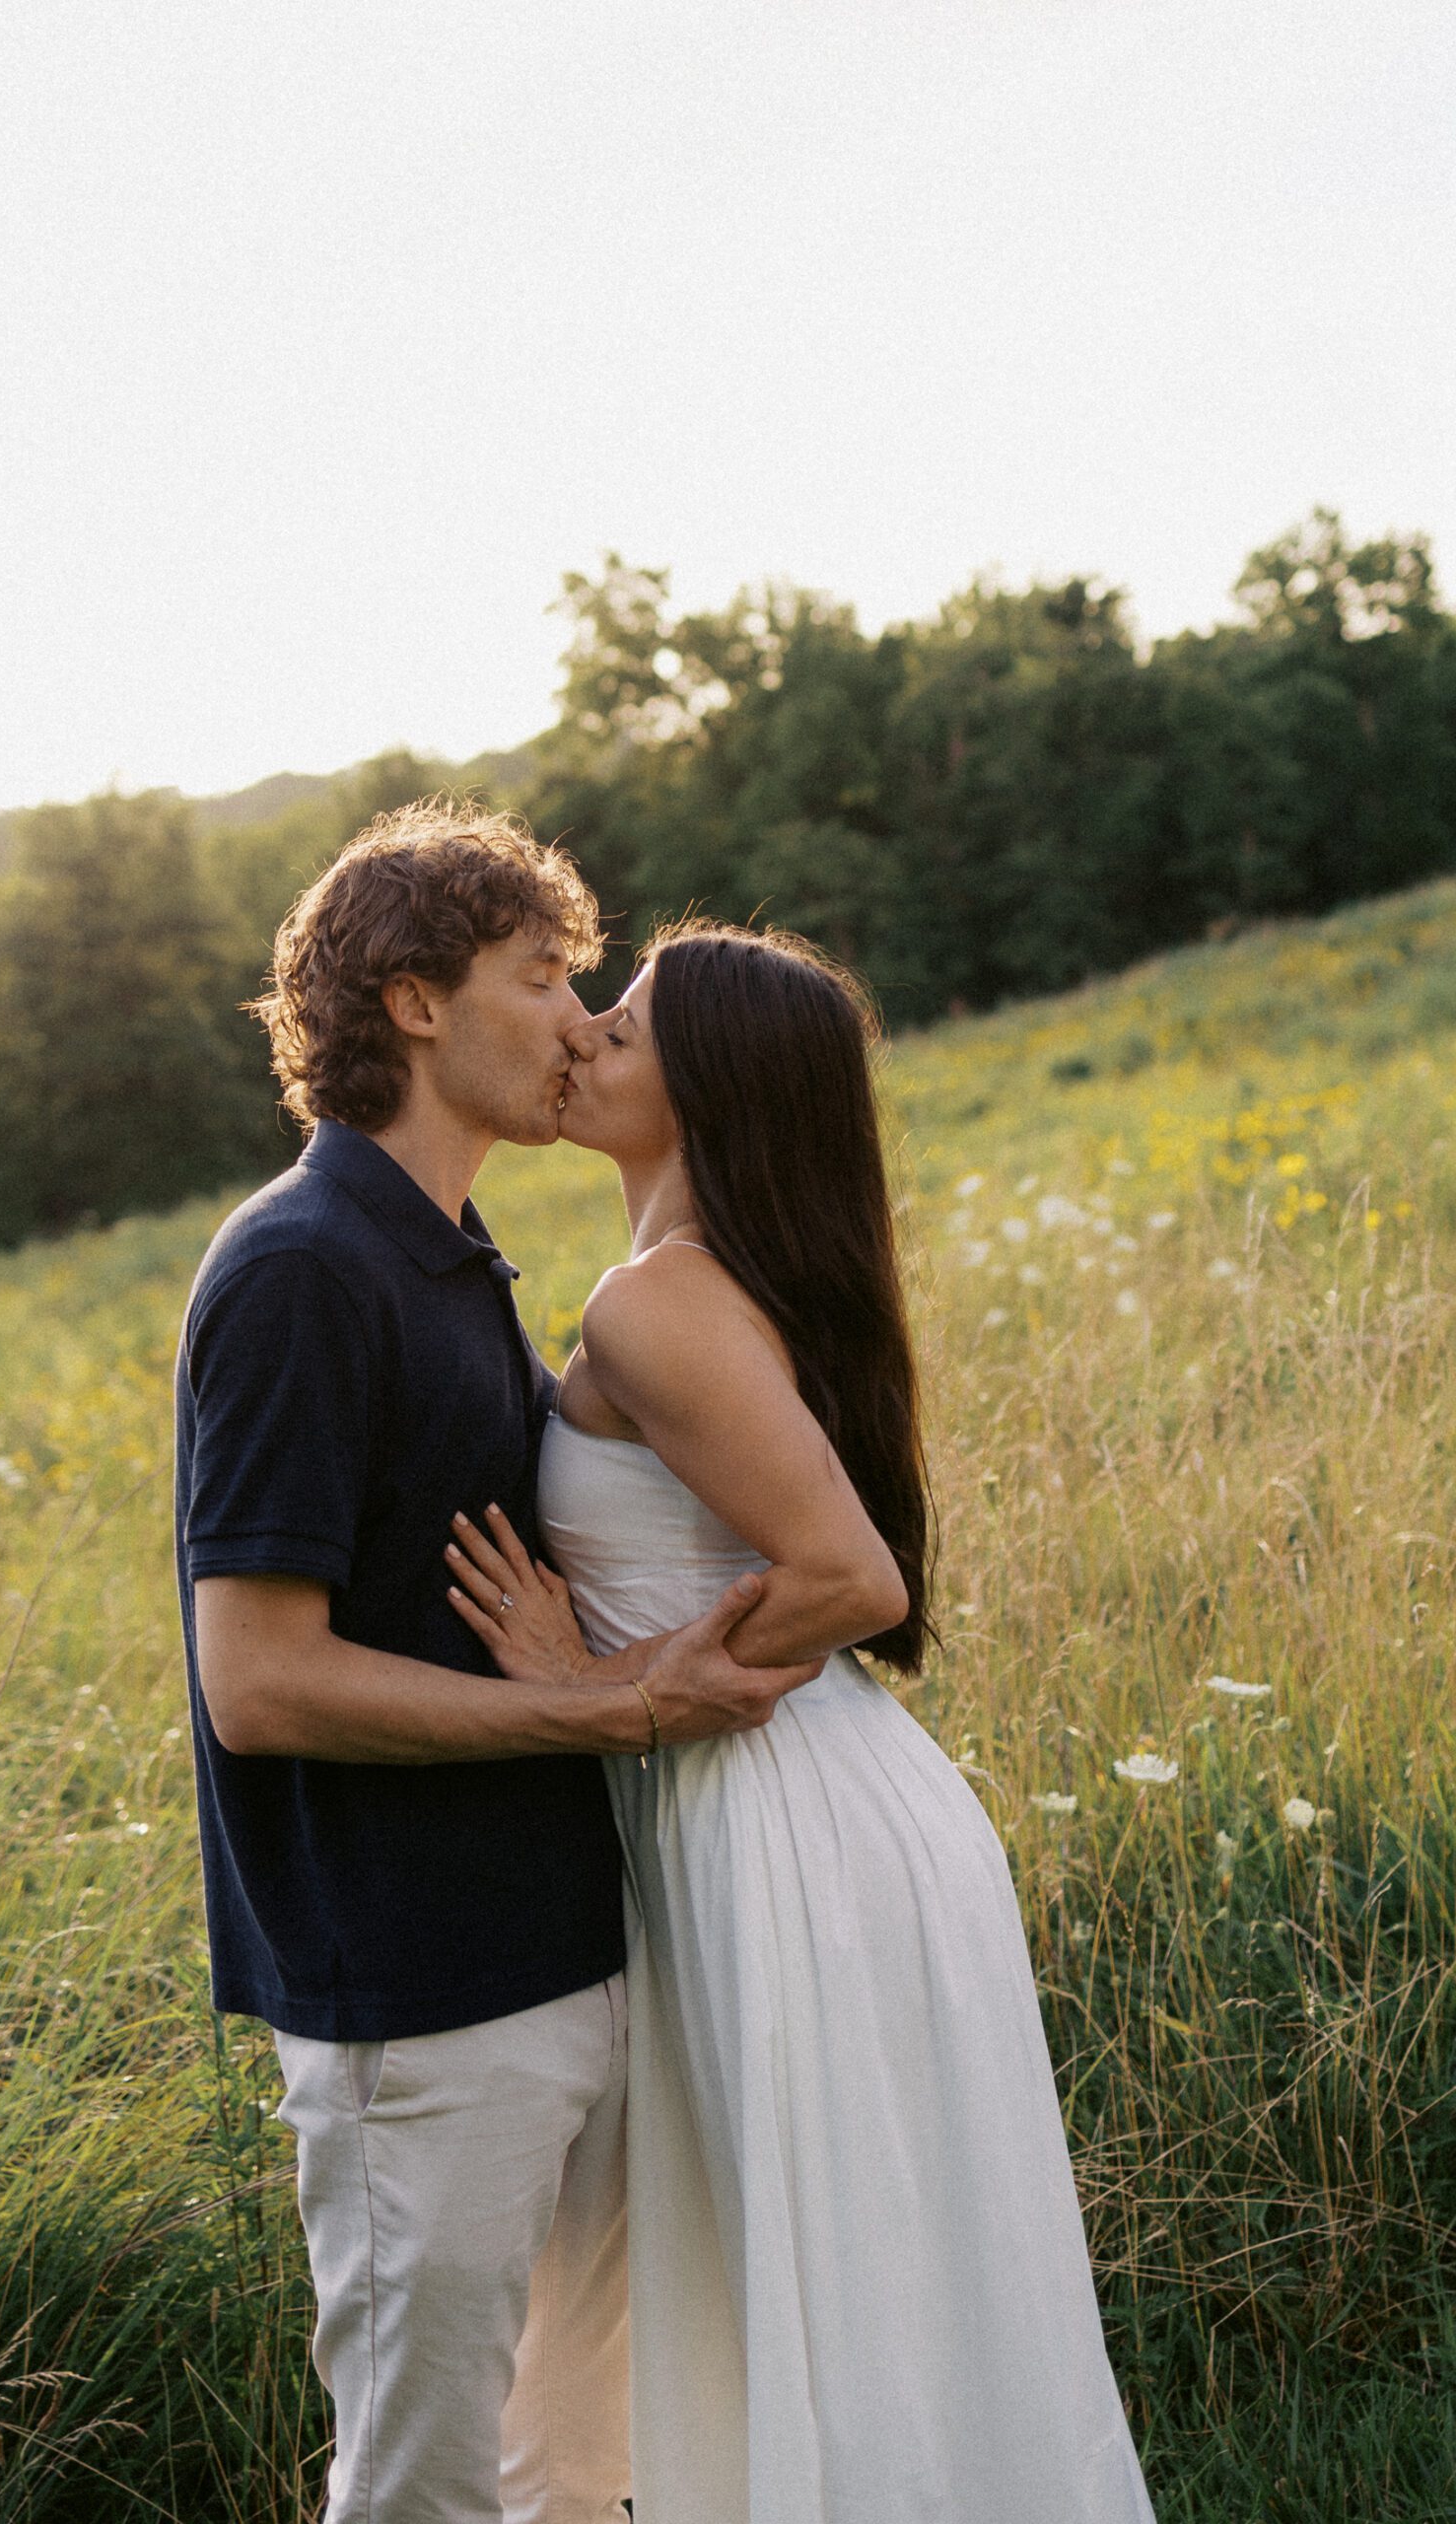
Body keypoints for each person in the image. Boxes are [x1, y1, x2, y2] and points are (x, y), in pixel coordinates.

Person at [447, 920, 1159, 2523]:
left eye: (618, 1029)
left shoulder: (658, 1304)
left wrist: (601, 1696)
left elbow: (848, 1574)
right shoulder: (695, 1284)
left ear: (708, 1092)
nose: (579, 1040)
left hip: (777, 1820)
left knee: (845, 2281)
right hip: (799, 1802)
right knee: (875, 2282)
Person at [172, 806, 819, 2524]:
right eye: (540, 979)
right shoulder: (299, 1269)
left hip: (561, 1959)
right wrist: (600, 1707)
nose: (576, 1020)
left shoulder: (462, 1264)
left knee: (575, 2470)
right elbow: (259, 1678)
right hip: (414, 1996)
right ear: (411, 1003)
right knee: (423, 2488)